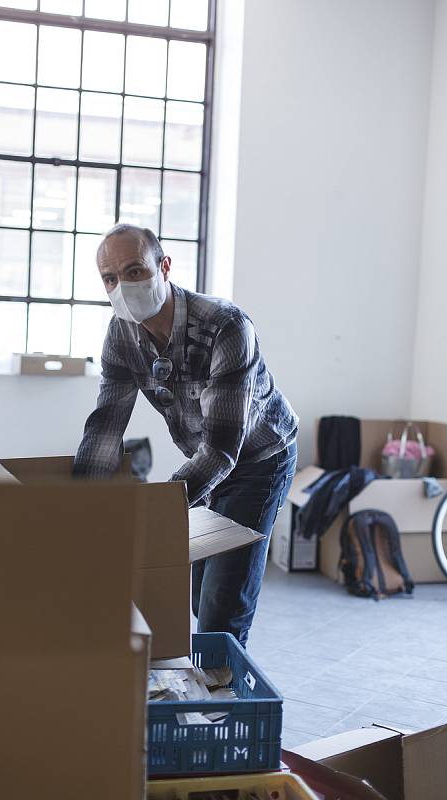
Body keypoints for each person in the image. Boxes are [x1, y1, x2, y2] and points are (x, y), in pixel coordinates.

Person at [74, 223, 299, 646]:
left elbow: (222, 450)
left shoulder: (226, 326)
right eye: (110, 278)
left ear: (164, 266)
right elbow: (106, 424)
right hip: (204, 462)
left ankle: (224, 701)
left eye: (135, 270)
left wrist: (150, 510)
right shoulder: (121, 334)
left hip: (257, 461)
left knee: (219, 607)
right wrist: (77, 503)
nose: (123, 286)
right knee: (196, 591)